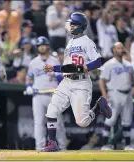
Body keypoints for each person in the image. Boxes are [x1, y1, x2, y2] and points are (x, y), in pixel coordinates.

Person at [43, 12, 112, 152]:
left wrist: (86, 67)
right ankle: (52, 143)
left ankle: (98, 106)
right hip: (66, 81)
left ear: (81, 26)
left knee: (82, 122)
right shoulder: (70, 42)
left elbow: (99, 61)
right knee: (51, 110)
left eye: (74, 24)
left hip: (81, 83)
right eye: (71, 23)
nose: (71, 25)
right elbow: (69, 67)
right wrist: (55, 68)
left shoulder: (86, 41)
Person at [99, 42, 134, 150]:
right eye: (118, 48)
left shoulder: (129, 65)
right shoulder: (109, 64)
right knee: (110, 120)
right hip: (114, 93)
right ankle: (105, 145)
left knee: (127, 120)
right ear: (113, 51)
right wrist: (105, 95)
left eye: (121, 47)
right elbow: (102, 81)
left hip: (127, 94)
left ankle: (128, 145)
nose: (120, 49)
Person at [25, 36, 67, 151]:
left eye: (44, 45)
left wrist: (59, 82)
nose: (42, 47)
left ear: (48, 46)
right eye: (40, 45)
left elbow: (61, 78)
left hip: (53, 95)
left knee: (58, 123)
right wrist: (28, 86)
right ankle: (39, 147)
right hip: (38, 95)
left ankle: (63, 147)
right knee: (38, 123)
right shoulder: (33, 62)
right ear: (37, 47)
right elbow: (29, 77)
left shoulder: (54, 60)